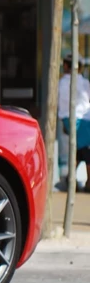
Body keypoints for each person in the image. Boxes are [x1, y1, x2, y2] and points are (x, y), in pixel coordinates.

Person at [58, 53, 90, 190]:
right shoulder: (84, 82)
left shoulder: (61, 83)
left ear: (65, 65)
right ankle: (83, 181)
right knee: (85, 150)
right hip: (84, 120)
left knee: (79, 149)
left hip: (69, 120)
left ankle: (71, 178)